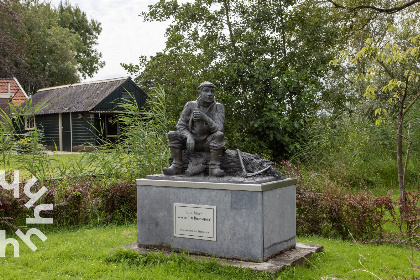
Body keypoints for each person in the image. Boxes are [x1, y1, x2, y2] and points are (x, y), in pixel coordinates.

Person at [163, 81, 226, 177]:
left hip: (207, 143)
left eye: (212, 91)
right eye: (206, 91)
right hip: (190, 142)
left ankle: (214, 168)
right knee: (172, 134)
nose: (209, 94)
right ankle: (176, 166)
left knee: (219, 135)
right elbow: (180, 125)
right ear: (200, 92)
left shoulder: (218, 107)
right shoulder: (190, 105)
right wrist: (188, 136)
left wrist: (205, 118)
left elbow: (219, 129)